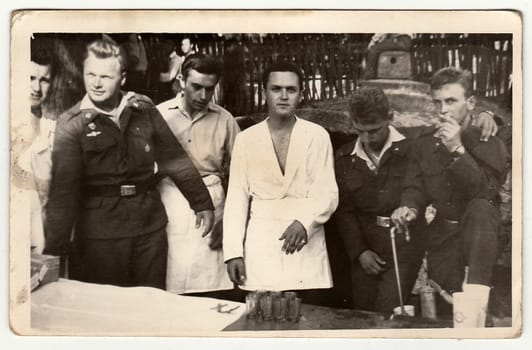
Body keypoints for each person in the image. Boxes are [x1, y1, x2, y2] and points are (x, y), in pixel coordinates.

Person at [43, 38, 215, 289]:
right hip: (99, 236)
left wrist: (202, 203)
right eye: (90, 74)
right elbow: (63, 193)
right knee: (105, 315)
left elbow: (174, 158)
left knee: (150, 309)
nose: (96, 83)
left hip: (149, 230)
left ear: (122, 78)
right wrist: (55, 253)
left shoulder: (142, 109)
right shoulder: (72, 124)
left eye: (105, 76)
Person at [391, 67, 509, 321]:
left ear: (471, 103)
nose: (443, 110)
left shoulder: (490, 142)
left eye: (451, 101)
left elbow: (486, 193)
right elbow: (415, 186)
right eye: (438, 103)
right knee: (445, 315)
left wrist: (457, 149)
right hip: (443, 240)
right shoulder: (425, 143)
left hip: (481, 244)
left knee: (477, 318)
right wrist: (409, 207)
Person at [223, 61, 338, 301]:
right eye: (276, 89)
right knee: (262, 320)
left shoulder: (317, 136)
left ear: (301, 94)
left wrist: (305, 223)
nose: (284, 96)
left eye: (291, 89)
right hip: (261, 244)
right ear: (264, 92)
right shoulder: (246, 139)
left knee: (305, 317)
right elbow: (236, 199)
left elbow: (327, 192)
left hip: (306, 244)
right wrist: (233, 252)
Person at [334, 87, 426, 313]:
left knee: (389, 311)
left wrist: (409, 207)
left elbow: (415, 186)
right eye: (360, 131)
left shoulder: (413, 147)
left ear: (390, 117)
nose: (367, 138)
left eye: (374, 131)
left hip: (403, 247)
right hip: (365, 249)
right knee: (363, 313)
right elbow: (344, 211)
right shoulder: (345, 158)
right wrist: (359, 252)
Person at [157, 53, 240, 295]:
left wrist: (229, 223)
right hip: (169, 202)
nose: (203, 96)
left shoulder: (225, 121)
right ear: (181, 80)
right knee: (171, 281)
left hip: (212, 204)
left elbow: (241, 175)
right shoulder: (160, 115)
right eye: (196, 87)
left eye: (209, 89)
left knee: (211, 287)